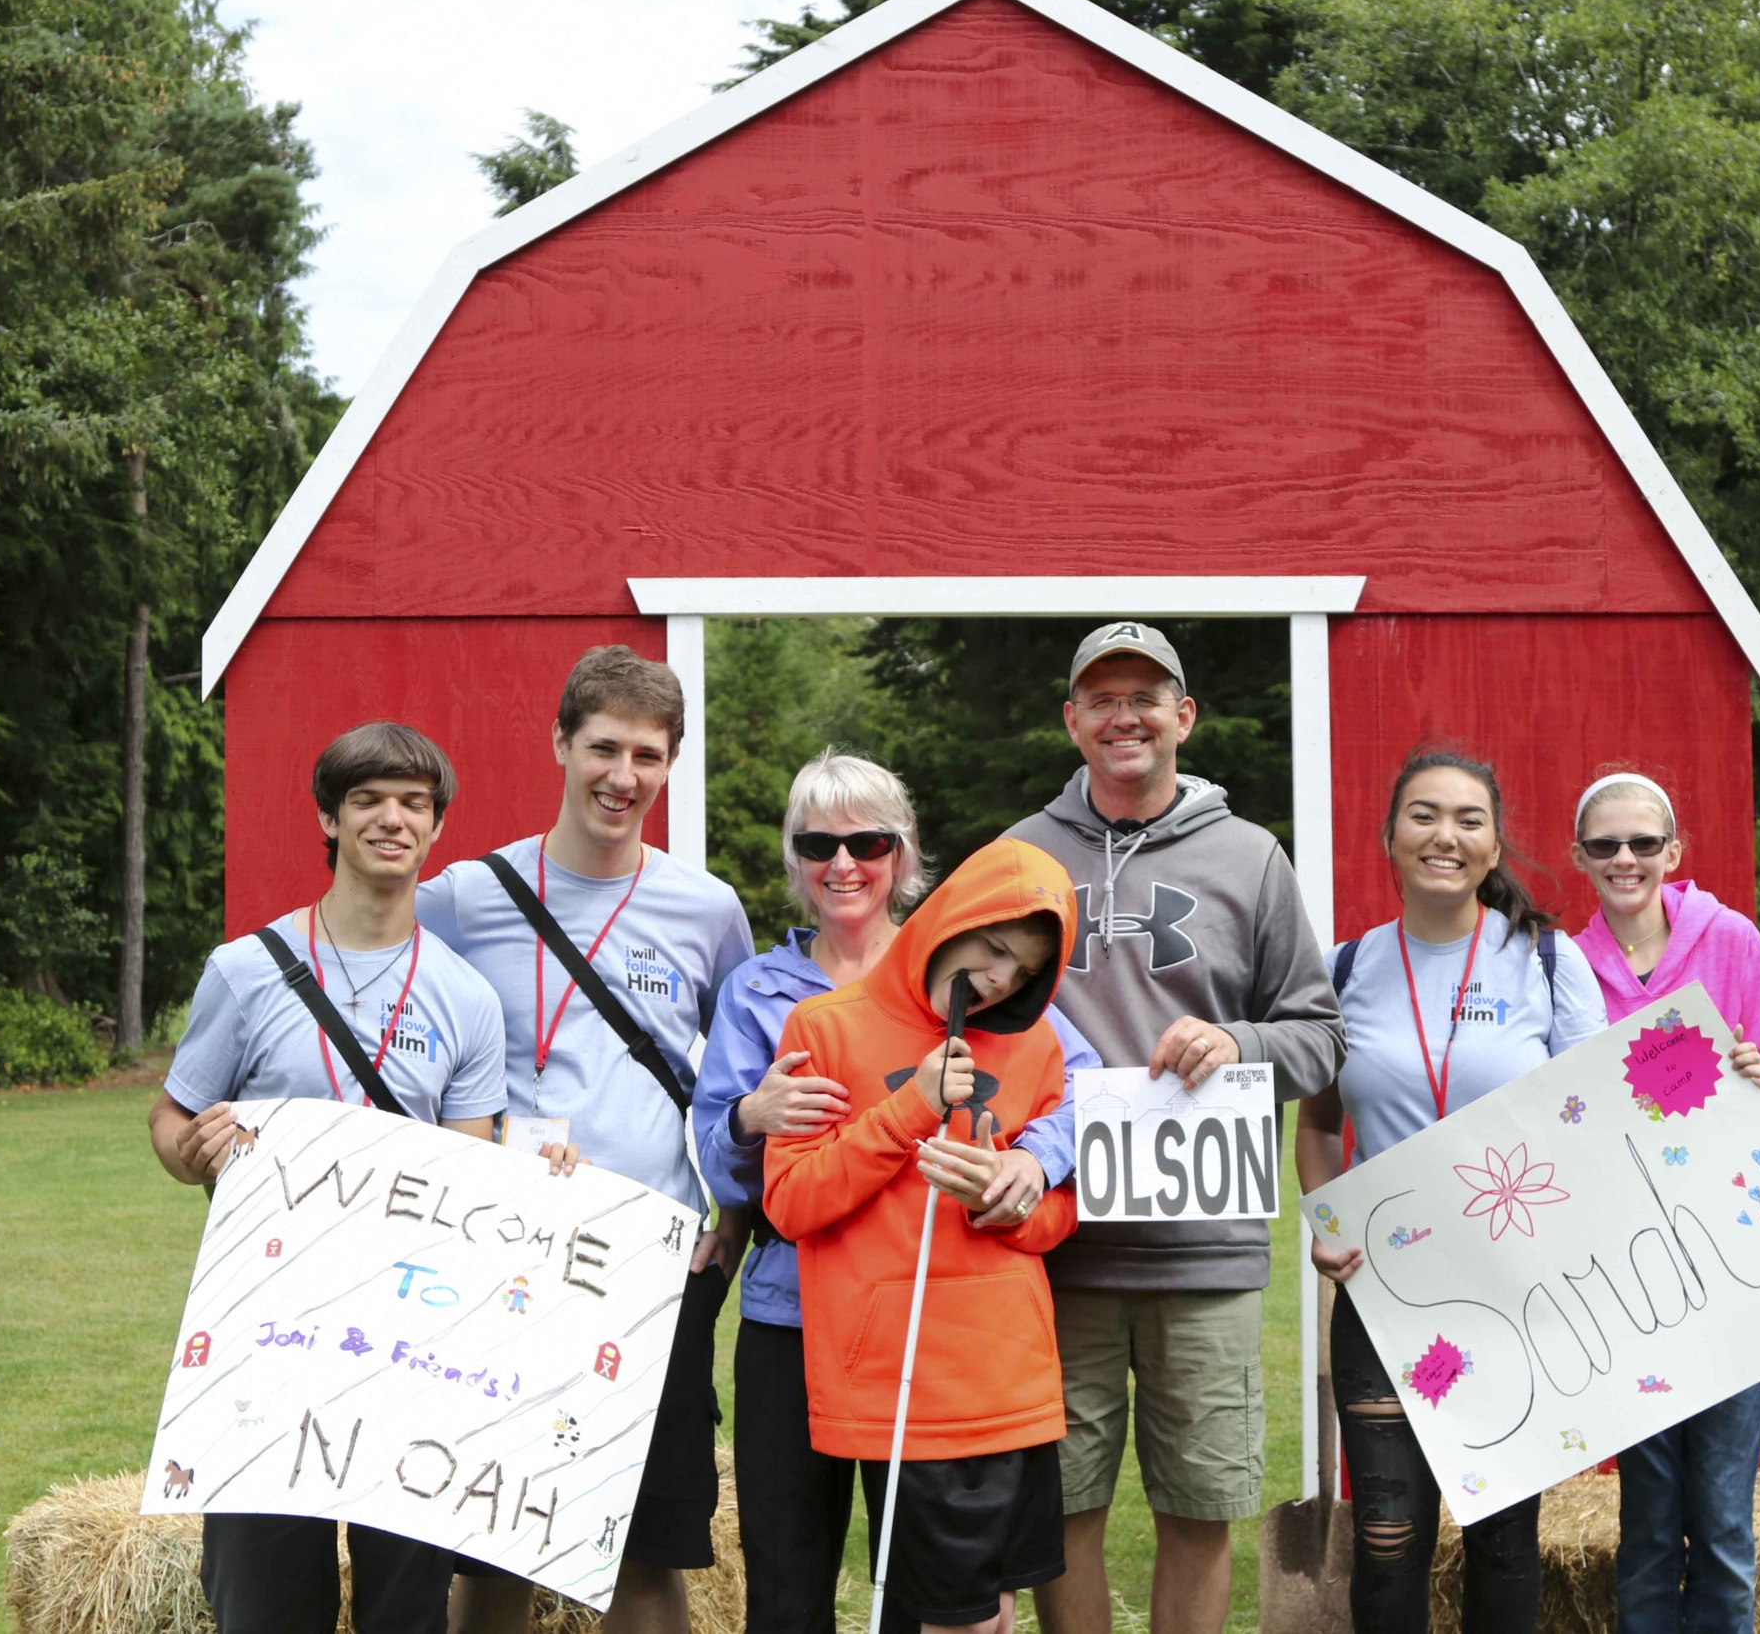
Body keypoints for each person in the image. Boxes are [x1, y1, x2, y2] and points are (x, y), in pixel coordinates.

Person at [693, 750, 1102, 1634]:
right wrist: (749, 1120)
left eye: (868, 840)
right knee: (790, 1577)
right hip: (791, 1311)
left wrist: (1036, 1163)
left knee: (936, 1589)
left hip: (935, 1334)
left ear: (905, 855)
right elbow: (736, 1174)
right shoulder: (764, 993)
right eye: (819, 842)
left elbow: (1081, 1091)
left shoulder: (1000, 1003)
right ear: (794, 857)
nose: (844, 861)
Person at [1005, 621, 1345, 1634]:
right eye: (1101, 698)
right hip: (1058, 1242)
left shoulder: (1250, 859)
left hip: (1204, 1249)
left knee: (1199, 1503)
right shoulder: (1020, 856)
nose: (1124, 716)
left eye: (1145, 696)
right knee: (1062, 1498)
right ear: (1072, 721)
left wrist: (1236, 1044)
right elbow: (976, 1019)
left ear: (1183, 717)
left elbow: (1319, 1039)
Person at [148, 722, 516, 1634]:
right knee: (267, 1605)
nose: (392, 818)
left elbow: (470, 1169)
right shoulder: (245, 970)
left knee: (406, 1607)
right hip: (264, 1330)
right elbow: (170, 1114)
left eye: (414, 803)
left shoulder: (467, 997)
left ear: (436, 828)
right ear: (330, 815)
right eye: (368, 799)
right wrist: (190, 1148)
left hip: (410, 1334)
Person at [417, 646, 755, 1634]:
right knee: (491, 1541)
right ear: (561, 743)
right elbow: (399, 1030)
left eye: (647, 755)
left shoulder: (707, 910)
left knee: (650, 1551)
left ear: (670, 764)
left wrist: (734, 1214)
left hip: (654, 1261)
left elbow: (736, 1079)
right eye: (603, 746)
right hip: (506, 1256)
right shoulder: (462, 897)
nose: (623, 775)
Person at [1296, 748, 1607, 1634]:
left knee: (1505, 1536)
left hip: (1518, 1292)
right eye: (1424, 815)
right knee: (1389, 1536)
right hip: (1385, 1294)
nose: (1446, 835)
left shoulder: (1547, 962)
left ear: (1495, 842)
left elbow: (1605, 1118)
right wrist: (1326, 1225)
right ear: (1389, 837)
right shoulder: (1345, 970)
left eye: (1469, 819)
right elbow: (1316, 1125)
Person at [1568, 770, 1760, 1634]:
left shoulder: (1731, 941)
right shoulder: (1568, 966)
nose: (1624, 858)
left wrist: (1744, 1087)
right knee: (1649, 1522)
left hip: (1730, 1266)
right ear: (1580, 857)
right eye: (1605, 845)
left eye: (1641, 842)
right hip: (1629, 1278)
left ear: (1674, 851)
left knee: (1725, 1519)